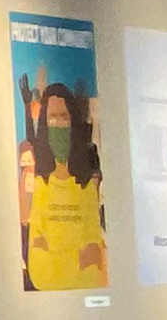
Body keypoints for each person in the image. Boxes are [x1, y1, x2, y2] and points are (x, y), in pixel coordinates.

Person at [25, 80, 108, 290]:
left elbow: (93, 272)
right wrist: (78, 258)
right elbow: (39, 273)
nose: (59, 124)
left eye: (63, 117)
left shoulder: (86, 187)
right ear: (44, 123)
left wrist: (55, 256)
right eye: (52, 118)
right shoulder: (41, 187)